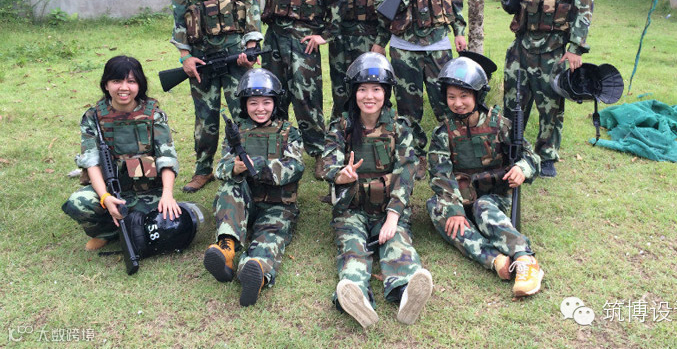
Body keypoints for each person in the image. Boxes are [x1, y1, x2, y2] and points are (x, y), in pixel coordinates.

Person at [324, 52, 433, 328]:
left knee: (397, 244)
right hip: (351, 209)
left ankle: (407, 292)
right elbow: (327, 163)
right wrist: (341, 175)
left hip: (388, 208)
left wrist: (393, 217)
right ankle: (356, 296)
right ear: (354, 92)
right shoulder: (342, 126)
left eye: (376, 90)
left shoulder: (399, 128)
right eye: (362, 89)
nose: (369, 96)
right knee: (353, 250)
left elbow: (406, 172)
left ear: (386, 93)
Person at [426, 56, 544, 297]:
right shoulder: (443, 133)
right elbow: (440, 175)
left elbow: (532, 157)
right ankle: (497, 261)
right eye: (451, 97)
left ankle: (525, 259)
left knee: (483, 206)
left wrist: (521, 169)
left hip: (494, 197)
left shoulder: (500, 125)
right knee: (436, 208)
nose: (457, 103)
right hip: (460, 197)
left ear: (477, 95)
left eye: (464, 96)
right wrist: (454, 209)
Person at [170, 0, 263, 193]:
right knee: (205, 116)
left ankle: (244, 162)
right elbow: (179, 17)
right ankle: (203, 170)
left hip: (234, 53)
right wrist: (185, 57)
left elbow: (251, 8)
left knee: (242, 111)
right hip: (201, 56)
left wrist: (251, 49)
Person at [253, 0, 348, 180]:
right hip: (275, 39)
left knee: (307, 99)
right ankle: (276, 146)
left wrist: (325, 35)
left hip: (304, 41)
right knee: (273, 95)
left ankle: (317, 152)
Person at [498, 0, 593, 178]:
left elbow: (584, 8)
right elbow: (508, 4)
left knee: (550, 103)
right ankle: (511, 149)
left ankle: (547, 155)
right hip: (522, 45)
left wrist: (575, 49)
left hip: (554, 47)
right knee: (513, 100)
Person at [374, 0, 467, 174]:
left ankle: (454, 151)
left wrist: (459, 31)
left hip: (438, 44)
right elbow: (382, 6)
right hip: (403, 48)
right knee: (408, 109)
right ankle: (415, 156)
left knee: (446, 102)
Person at [203, 68, 304, 307]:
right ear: (244, 104)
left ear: (275, 103)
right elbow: (221, 167)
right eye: (253, 103)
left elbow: (295, 167)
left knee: (271, 235)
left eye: (266, 102)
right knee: (229, 189)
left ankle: (255, 268)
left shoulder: (289, 132)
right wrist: (235, 168)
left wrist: (260, 166)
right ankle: (227, 249)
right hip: (244, 200)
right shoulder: (237, 132)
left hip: (278, 205)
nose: (260, 108)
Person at [62, 56, 181, 251]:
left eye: (131, 81)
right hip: (110, 189)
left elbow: (167, 158)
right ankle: (106, 233)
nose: (124, 88)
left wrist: (167, 194)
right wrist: (105, 197)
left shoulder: (154, 115)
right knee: (78, 203)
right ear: (106, 85)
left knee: (172, 222)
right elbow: (92, 162)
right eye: (117, 81)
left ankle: (132, 224)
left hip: (148, 191)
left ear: (139, 85)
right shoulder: (93, 117)